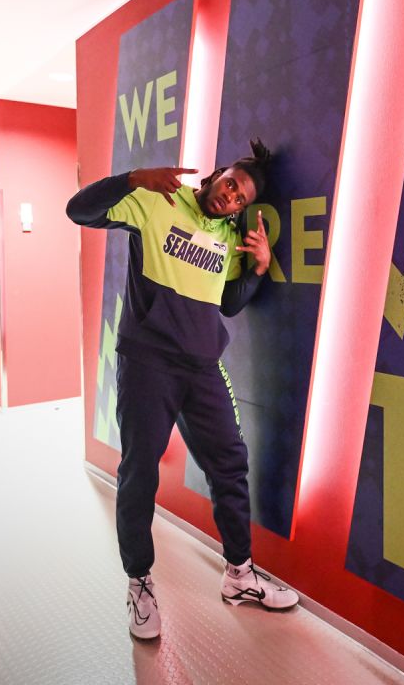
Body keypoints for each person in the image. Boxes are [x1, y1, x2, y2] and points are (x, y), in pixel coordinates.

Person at [66, 140, 298, 641]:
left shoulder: (227, 234)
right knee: (140, 473)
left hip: (202, 368)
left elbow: (229, 305)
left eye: (242, 198)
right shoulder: (157, 199)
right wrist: (131, 179)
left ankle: (239, 573)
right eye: (232, 184)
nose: (232, 198)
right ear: (216, 174)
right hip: (149, 362)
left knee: (230, 464)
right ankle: (140, 582)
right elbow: (77, 210)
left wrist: (257, 268)